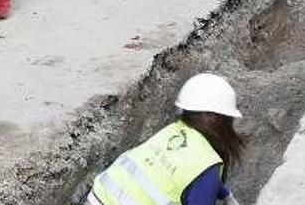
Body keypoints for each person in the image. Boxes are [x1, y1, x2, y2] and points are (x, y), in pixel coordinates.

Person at [87, 73, 245, 205]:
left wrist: (223, 193)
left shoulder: (171, 131)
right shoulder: (207, 166)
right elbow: (196, 176)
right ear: (222, 120)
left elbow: (175, 174)